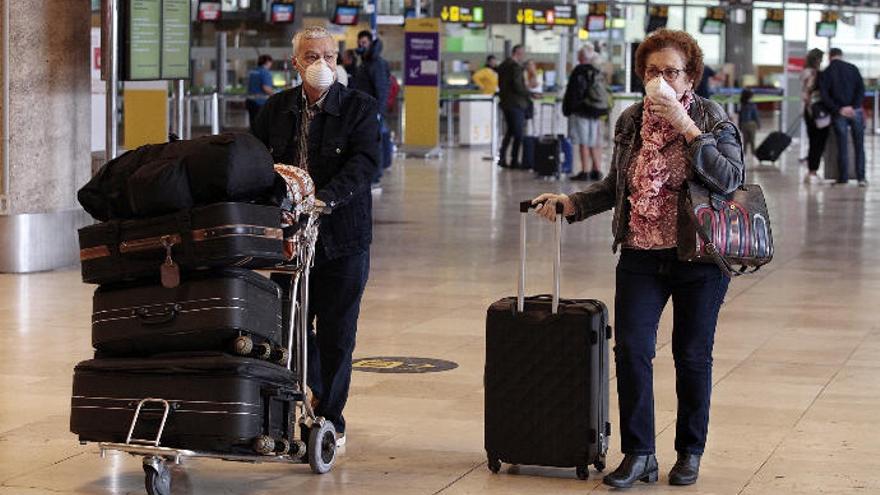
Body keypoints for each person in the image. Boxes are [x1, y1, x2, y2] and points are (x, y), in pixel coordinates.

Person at [532, 29, 743, 488]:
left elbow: (729, 178)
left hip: (699, 257)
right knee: (631, 350)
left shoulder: (713, 117)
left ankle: (689, 451)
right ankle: (639, 453)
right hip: (640, 254)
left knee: (691, 356)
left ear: (690, 77)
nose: (661, 79)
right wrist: (572, 203)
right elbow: (614, 186)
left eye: (671, 71)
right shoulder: (630, 120)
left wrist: (689, 130)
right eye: (652, 71)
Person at [252, 25, 379, 449]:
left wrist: (324, 200)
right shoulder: (276, 109)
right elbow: (256, 164)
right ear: (295, 63)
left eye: (328, 56)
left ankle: (330, 417)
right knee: (290, 325)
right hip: (289, 238)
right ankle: (311, 391)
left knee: (338, 330)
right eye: (311, 56)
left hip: (343, 236)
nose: (320, 64)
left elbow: (365, 164)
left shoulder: (359, 107)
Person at [819, 48, 867, 186]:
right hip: (855, 111)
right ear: (841, 55)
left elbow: (824, 95)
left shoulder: (826, 72)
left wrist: (839, 109)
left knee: (842, 145)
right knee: (859, 145)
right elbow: (861, 89)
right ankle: (861, 178)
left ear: (830, 56)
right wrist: (854, 106)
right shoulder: (853, 68)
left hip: (838, 113)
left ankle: (843, 177)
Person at [351, 30, 392, 187]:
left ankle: (375, 175)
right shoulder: (365, 62)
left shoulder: (376, 63)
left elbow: (381, 89)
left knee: (375, 142)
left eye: (364, 43)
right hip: (365, 110)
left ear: (371, 43)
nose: (361, 46)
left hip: (373, 110)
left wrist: (379, 112)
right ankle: (372, 173)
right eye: (360, 43)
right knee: (370, 142)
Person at [562, 46, 607, 181]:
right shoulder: (596, 71)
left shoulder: (579, 71)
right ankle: (597, 170)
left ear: (581, 57)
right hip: (596, 111)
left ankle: (585, 171)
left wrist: (569, 109)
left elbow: (573, 93)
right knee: (594, 142)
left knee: (583, 142)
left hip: (582, 111)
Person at [496, 45, 530, 169]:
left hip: (506, 102)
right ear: (518, 53)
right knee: (518, 134)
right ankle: (514, 160)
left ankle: (502, 157)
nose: (523, 56)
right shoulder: (515, 67)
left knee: (510, 131)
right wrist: (529, 93)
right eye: (523, 53)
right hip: (516, 103)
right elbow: (517, 86)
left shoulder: (503, 65)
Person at [801, 48, 828, 184]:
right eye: (821, 59)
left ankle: (812, 171)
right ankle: (812, 171)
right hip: (816, 111)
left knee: (814, 141)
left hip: (809, 110)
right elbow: (810, 91)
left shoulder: (806, 71)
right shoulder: (812, 73)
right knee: (817, 141)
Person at [246, 55, 275, 129]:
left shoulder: (253, 71)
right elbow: (266, 88)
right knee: (261, 125)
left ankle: (252, 139)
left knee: (253, 124)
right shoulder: (265, 72)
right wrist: (277, 95)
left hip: (250, 101)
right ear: (267, 62)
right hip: (260, 102)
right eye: (271, 62)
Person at [738, 89, 759, 164]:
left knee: (745, 141)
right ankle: (755, 155)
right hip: (751, 124)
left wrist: (740, 125)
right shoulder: (752, 105)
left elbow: (740, 116)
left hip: (744, 124)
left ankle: (743, 156)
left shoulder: (742, 104)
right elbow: (755, 115)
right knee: (752, 141)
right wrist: (758, 124)